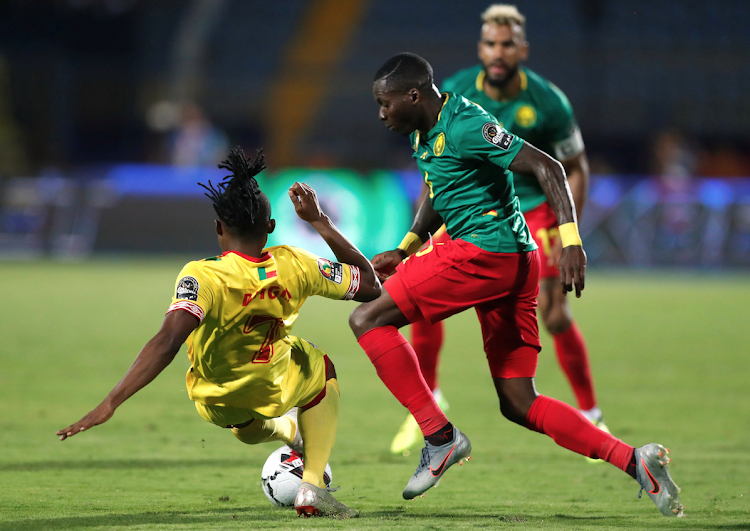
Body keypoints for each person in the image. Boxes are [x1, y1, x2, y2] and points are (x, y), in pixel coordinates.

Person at [350, 52, 683, 517]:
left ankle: (439, 437)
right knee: (518, 400)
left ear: (413, 95)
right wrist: (407, 247)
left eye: (385, 103)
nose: (381, 113)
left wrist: (570, 241)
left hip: (485, 251)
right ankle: (635, 462)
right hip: (512, 260)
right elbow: (437, 187)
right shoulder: (425, 130)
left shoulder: (468, 124)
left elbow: (550, 166)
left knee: (367, 318)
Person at [56, 148, 380, 519]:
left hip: (215, 399)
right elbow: (371, 285)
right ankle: (312, 486)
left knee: (242, 422)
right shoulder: (297, 263)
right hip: (273, 382)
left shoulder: (202, 276)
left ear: (218, 227)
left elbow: (167, 342)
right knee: (321, 368)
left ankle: (287, 433)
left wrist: (112, 401)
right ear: (271, 227)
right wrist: (320, 222)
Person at [391, 4, 609, 458]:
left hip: (537, 212)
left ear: (522, 50)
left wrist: (572, 235)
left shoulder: (549, 102)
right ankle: (428, 402)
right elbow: (436, 168)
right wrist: (415, 236)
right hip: (474, 212)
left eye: (507, 44)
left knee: (553, 315)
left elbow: (572, 167)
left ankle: (590, 411)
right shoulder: (453, 91)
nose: (498, 52)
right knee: (415, 301)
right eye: (490, 42)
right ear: (480, 46)